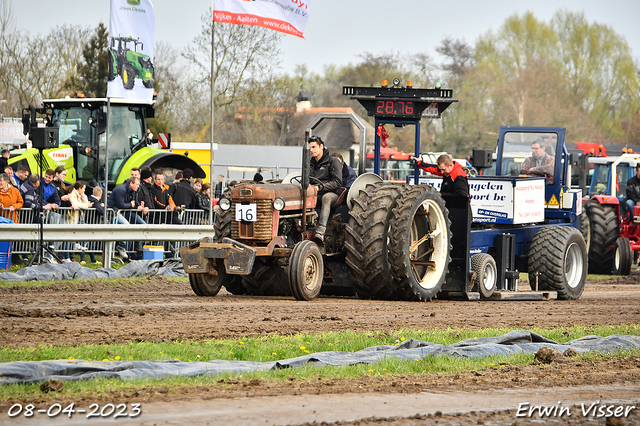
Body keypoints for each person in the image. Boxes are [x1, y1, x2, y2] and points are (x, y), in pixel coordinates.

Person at [308, 136, 343, 241]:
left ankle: (321, 230)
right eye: (310, 148)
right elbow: (307, 180)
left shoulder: (333, 161)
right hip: (314, 193)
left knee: (326, 198)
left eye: (314, 147)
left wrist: (319, 188)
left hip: (332, 194)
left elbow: (337, 183)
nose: (311, 150)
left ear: (321, 146)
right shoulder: (310, 163)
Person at [68, 181, 96, 264]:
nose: (84, 191)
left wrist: (83, 195)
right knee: (68, 239)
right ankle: (77, 252)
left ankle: (79, 250)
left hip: (76, 220)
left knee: (87, 229)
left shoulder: (79, 195)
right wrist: (87, 205)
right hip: (71, 220)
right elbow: (76, 204)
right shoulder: (72, 194)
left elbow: (84, 202)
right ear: (79, 188)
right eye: (83, 189)